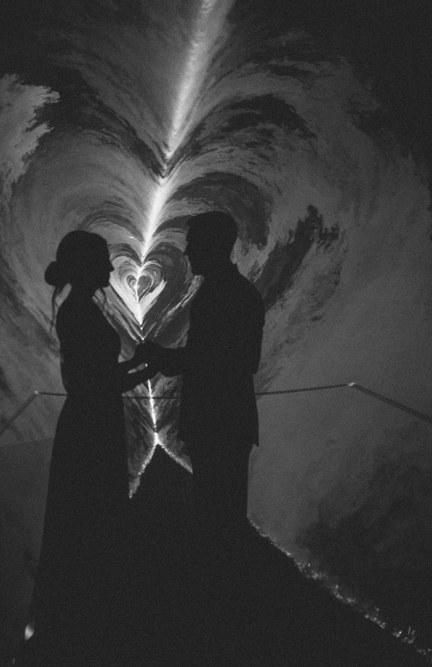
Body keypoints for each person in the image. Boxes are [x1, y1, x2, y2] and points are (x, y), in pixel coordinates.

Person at [24, 230, 155, 665]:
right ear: (85, 266)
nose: (110, 268)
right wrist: (147, 369)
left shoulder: (79, 308)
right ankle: (83, 631)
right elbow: (94, 383)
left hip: (92, 419)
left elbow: (96, 376)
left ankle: (78, 624)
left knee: (84, 517)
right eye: (102, 260)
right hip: (91, 423)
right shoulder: (79, 312)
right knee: (91, 513)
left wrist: (138, 366)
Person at [141, 211, 265, 555]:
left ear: (213, 246)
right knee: (222, 511)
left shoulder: (224, 294)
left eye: (193, 243)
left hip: (219, 419)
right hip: (229, 418)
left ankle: (218, 577)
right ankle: (222, 572)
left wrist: (164, 358)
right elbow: (231, 359)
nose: (186, 251)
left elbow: (218, 359)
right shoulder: (234, 290)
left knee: (217, 514)